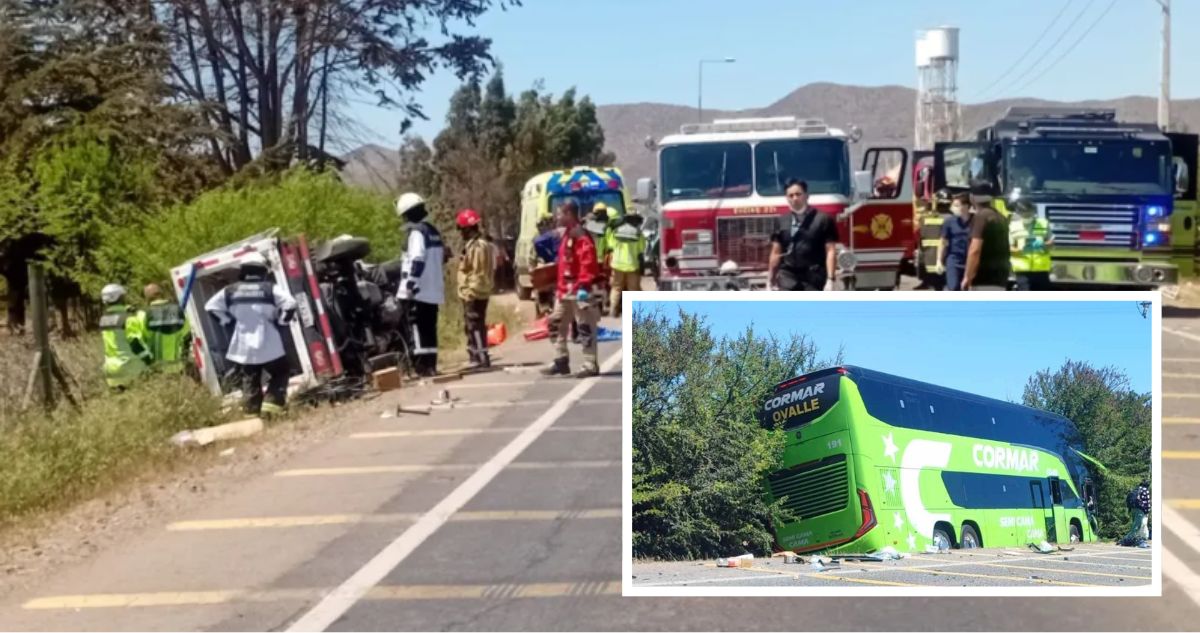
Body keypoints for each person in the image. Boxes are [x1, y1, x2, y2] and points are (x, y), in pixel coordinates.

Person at [204, 252, 296, 417]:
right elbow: (290, 304)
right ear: (262, 270)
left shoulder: (229, 290)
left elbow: (210, 307)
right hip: (269, 342)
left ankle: (252, 415)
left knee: (250, 378)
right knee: (281, 372)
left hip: (243, 344)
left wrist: (227, 321)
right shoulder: (270, 288)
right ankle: (272, 407)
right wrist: (282, 322)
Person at [542, 200, 600, 378]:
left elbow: (587, 261)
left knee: (584, 327)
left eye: (560, 213)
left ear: (569, 214)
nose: (557, 217)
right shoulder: (566, 235)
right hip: (564, 290)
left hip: (579, 289)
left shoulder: (581, 236)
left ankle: (590, 363)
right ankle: (561, 359)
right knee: (555, 322)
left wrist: (584, 284)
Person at [394, 192, 446, 377]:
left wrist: (409, 285)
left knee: (416, 327)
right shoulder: (433, 231)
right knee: (429, 329)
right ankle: (431, 366)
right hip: (435, 290)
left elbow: (417, 260)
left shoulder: (417, 233)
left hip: (419, 291)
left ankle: (421, 367)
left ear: (408, 214)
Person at [768, 180, 839, 291]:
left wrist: (830, 279)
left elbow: (830, 251)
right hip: (788, 276)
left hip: (813, 276)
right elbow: (776, 253)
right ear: (787, 198)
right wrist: (770, 280)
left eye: (798, 194)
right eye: (790, 195)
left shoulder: (823, 219)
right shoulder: (781, 221)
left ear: (807, 196)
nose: (795, 198)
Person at [456, 208, 494, 370]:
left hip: (475, 292)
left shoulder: (478, 246)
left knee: (475, 325)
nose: (461, 234)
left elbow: (478, 272)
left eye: (462, 230)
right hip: (474, 291)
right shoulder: (474, 245)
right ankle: (476, 356)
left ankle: (481, 357)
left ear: (468, 229)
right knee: (472, 325)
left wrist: (470, 291)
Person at [98, 283, 151, 390]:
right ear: (120, 298)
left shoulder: (103, 320)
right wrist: (149, 360)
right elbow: (135, 343)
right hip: (130, 368)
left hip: (111, 372)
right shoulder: (128, 319)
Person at [962, 179, 1011, 291]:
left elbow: (975, 250)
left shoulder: (981, 217)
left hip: (983, 279)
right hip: (1000, 279)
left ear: (972, 198)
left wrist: (967, 276)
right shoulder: (1000, 217)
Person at [140, 283, 191, 373]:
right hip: (177, 365)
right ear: (161, 294)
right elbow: (187, 334)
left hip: (158, 367)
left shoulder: (146, 314)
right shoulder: (178, 310)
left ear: (147, 298)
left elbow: (144, 338)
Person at [607, 210, 645, 318]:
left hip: (617, 265)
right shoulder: (638, 233)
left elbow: (611, 245)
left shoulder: (617, 230)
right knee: (633, 289)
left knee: (616, 288)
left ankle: (613, 311)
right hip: (632, 265)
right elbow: (642, 248)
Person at [1009, 201, 1053, 291]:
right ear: (1019, 213)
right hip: (1022, 271)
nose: (1027, 216)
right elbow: (1008, 247)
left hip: (1041, 270)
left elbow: (1052, 244)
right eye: (1024, 214)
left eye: (1028, 213)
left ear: (1033, 212)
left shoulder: (1043, 223)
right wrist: (1020, 250)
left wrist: (1043, 245)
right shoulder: (1013, 226)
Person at [936, 193, 972, 292]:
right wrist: (939, 260)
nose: (953, 208)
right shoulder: (949, 222)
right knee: (953, 287)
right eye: (953, 205)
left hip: (970, 260)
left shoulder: (975, 221)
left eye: (957, 205)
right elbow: (942, 242)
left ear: (966, 206)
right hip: (954, 260)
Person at [1122, 479, 1152, 545]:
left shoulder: (1136, 489)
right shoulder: (1145, 490)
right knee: (1137, 525)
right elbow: (1147, 502)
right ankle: (1128, 538)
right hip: (1140, 510)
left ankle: (1133, 538)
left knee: (1134, 524)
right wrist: (1147, 511)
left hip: (1133, 509)